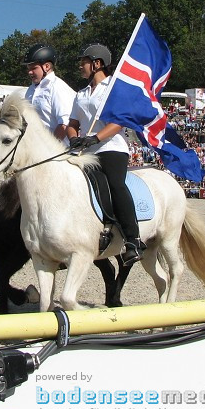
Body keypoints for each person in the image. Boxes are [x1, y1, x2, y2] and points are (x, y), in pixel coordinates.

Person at [66, 43, 145, 265]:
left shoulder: (114, 88)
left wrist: (96, 138)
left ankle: (133, 239)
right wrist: (73, 138)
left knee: (115, 185)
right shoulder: (80, 94)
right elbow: (72, 123)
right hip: (86, 151)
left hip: (112, 148)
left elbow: (119, 122)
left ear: (97, 64)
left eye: (84, 61)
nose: (81, 65)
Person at [22, 43, 76, 142]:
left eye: (33, 68)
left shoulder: (58, 88)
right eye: (28, 69)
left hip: (59, 151)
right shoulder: (30, 90)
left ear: (46, 66)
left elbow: (64, 124)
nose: (29, 72)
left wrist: (49, 148)